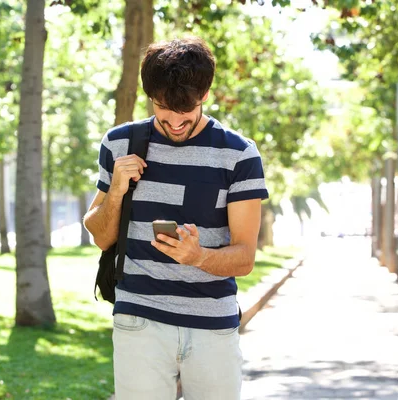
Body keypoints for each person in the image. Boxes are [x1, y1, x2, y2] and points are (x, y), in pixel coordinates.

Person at [83, 36, 269, 400]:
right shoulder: (120, 143)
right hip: (139, 320)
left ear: (205, 93)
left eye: (186, 110)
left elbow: (245, 257)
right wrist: (117, 190)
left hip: (212, 326)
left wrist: (198, 256)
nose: (176, 121)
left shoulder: (239, 155)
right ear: (149, 95)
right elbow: (100, 236)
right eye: (163, 109)